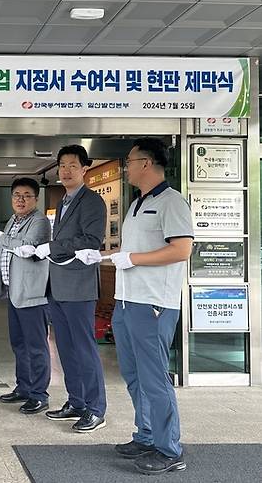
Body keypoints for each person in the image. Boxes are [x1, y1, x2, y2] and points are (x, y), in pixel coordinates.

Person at [110, 137, 192, 475]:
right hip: (127, 301)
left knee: (154, 378)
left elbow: (181, 249)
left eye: (129, 161)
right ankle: (145, 434)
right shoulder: (135, 204)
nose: (125, 167)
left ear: (146, 163)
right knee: (133, 375)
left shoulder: (172, 202)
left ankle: (168, 448)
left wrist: (133, 258)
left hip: (154, 304)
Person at [19, 145, 108, 432]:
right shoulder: (64, 202)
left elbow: (91, 240)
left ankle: (96, 409)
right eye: (62, 165)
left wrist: (51, 247)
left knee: (84, 349)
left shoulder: (92, 202)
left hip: (79, 287)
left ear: (84, 169)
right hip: (57, 286)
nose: (66, 170)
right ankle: (77, 402)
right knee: (67, 349)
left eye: (72, 165)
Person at [0, 178, 52, 414]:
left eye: (26, 195)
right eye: (16, 195)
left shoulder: (40, 221)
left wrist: (1, 236)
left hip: (32, 294)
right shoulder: (14, 219)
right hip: (14, 291)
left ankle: (39, 394)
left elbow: (27, 246)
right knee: (19, 344)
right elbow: (3, 250)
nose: (20, 200)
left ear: (36, 199)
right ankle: (23, 387)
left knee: (36, 346)